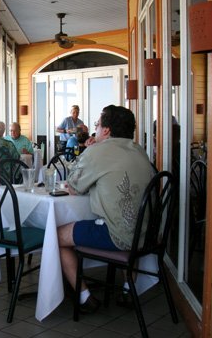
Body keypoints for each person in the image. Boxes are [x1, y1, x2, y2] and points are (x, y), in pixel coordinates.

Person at [57, 105, 154, 313]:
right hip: (147, 233)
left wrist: (90, 150)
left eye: (97, 125)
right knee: (126, 218)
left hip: (120, 236)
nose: (96, 129)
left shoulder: (99, 151)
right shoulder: (139, 150)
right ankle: (128, 289)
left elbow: (73, 186)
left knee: (55, 235)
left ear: (107, 130)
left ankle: (84, 297)